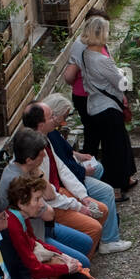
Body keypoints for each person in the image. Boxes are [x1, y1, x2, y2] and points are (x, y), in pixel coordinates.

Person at [26, 100, 130, 254]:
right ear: (41, 125)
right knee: (94, 228)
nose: (55, 119)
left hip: (60, 192)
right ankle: (81, 264)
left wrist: (83, 196)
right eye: (51, 117)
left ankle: (92, 249)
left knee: (102, 210)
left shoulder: (46, 138)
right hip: (53, 203)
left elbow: (62, 169)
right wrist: (78, 206)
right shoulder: (33, 151)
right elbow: (48, 195)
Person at [0, 128, 96, 266]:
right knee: (84, 262)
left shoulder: (26, 168)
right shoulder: (17, 180)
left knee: (86, 242)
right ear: (29, 159)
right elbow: (49, 214)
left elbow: (49, 194)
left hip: (44, 226)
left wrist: (38, 171)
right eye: (41, 154)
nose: (45, 155)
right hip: (34, 236)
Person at [66, 14, 137, 195]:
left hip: (95, 105)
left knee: (108, 146)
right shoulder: (101, 59)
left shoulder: (85, 53)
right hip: (108, 108)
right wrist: (122, 72)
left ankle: (114, 183)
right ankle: (117, 187)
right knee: (115, 149)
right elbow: (122, 83)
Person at [60, 8, 108, 152]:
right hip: (85, 96)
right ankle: (89, 165)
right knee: (93, 133)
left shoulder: (97, 41)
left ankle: (95, 164)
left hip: (96, 96)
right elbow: (69, 75)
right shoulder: (81, 44)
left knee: (98, 133)